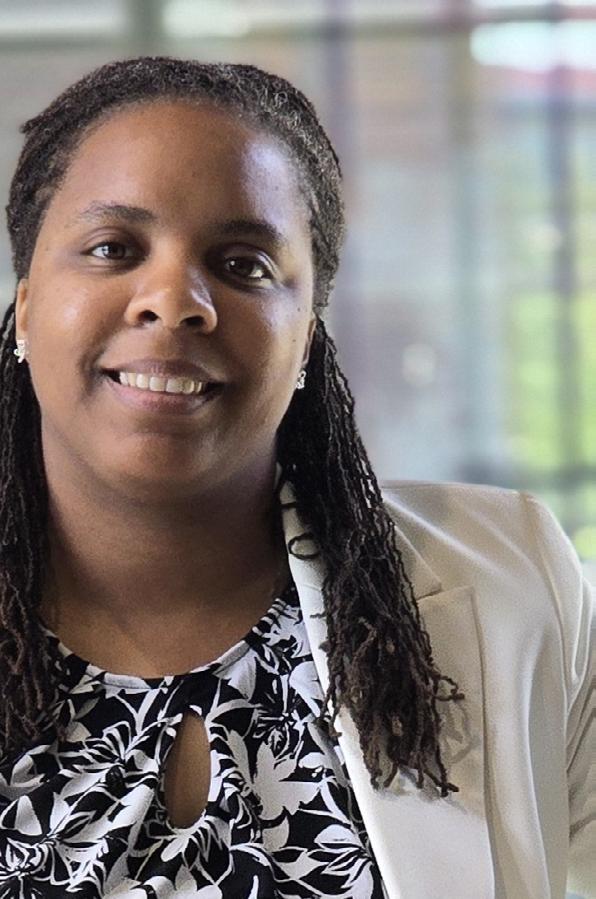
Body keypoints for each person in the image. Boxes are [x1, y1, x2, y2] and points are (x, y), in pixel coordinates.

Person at [0, 56, 592, 899]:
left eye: (243, 264)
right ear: (26, 307)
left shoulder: (514, 585)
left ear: (308, 337)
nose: (174, 300)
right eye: (112, 248)